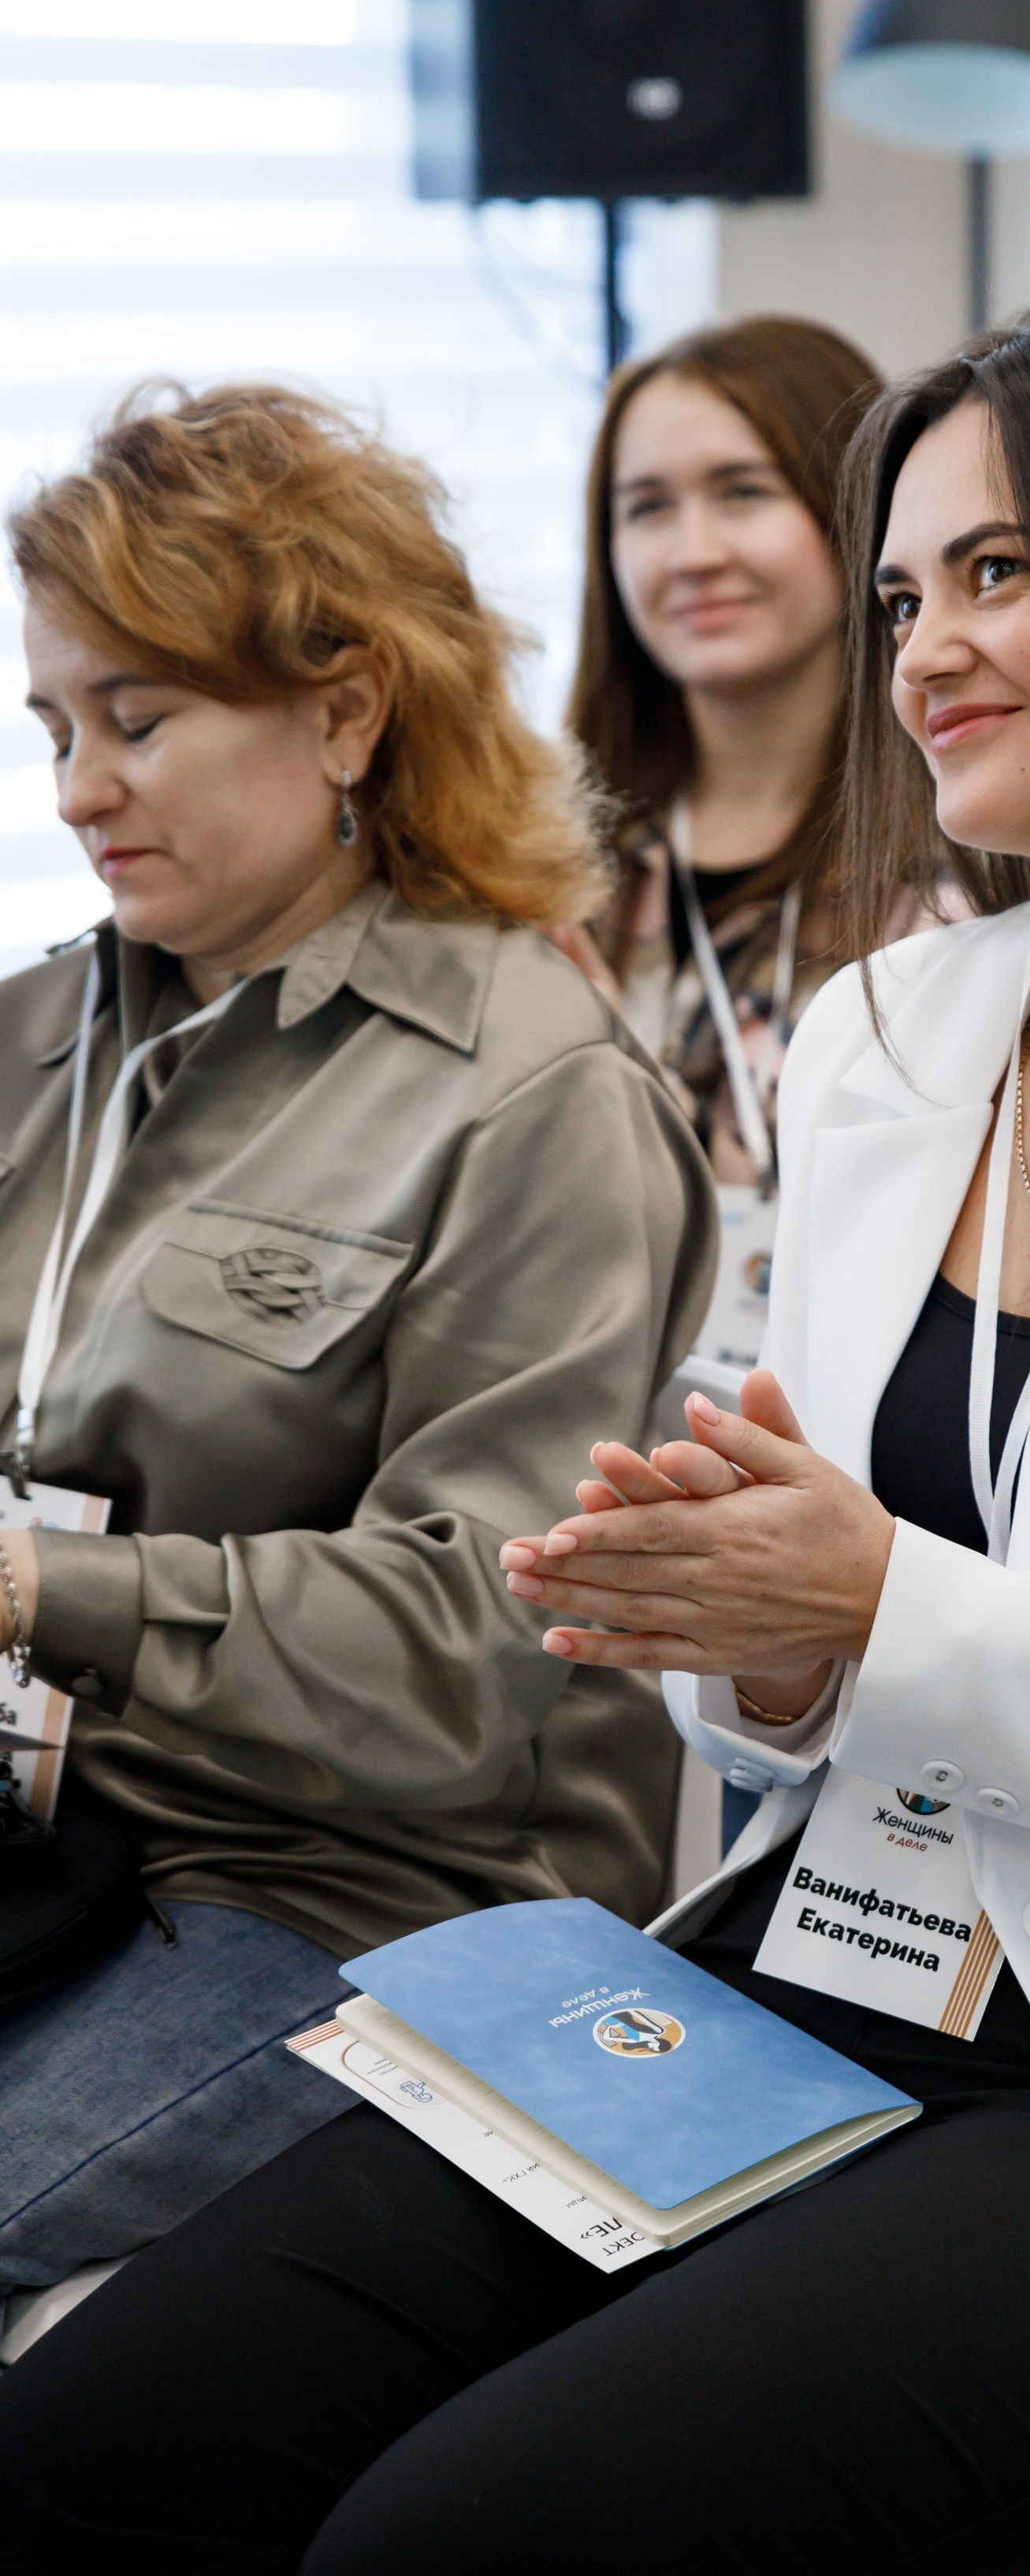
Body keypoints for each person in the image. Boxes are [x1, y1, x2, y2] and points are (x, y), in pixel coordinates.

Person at [2, 314, 1030, 2571]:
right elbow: (777, 1704)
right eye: (900, 594)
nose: (921, 650)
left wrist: (881, 1608)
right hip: (825, 1956)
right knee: (107, 2430)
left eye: (993, 574)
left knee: (460, 2538)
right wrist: (752, 1640)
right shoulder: (890, 1037)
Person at [0, 383, 713, 2302]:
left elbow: (474, 1647)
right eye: (55, 728)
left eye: (140, 719)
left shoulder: (532, 1093)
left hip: (368, 1896)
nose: (76, 790)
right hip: (56, 1836)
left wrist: (43, 1587)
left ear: (345, 711)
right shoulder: (37, 1041)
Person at [560, 314, 881, 1388]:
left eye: (743, 492)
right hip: (591, 1418)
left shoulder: (973, 870)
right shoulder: (546, 871)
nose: (693, 552)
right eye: (647, 507)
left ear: (856, 505)